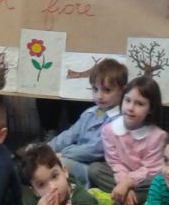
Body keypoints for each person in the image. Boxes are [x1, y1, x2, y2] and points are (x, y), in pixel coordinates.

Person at [87, 76, 167, 205]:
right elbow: (115, 163)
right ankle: (132, 201)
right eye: (127, 100)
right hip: (120, 177)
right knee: (95, 170)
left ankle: (114, 200)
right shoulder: (109, 130)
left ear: (151, 109)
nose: (130, 108)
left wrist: (127, 183)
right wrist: (124, 185)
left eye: (139, 104)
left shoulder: (159, 136)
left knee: (162, 182)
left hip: (144, 179)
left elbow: (150, 169)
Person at [48, 58, 128, 187]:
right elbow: (70, 134)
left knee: (59, 164)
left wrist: (63, 154)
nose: (99, 96)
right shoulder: (90, 112)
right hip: (76, 158)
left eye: (107, 90)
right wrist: (47, 149)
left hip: (95, 168)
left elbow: (95, 150)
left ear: (122, 91)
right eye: (95, 89)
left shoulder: (120, 120)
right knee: (42, 162)